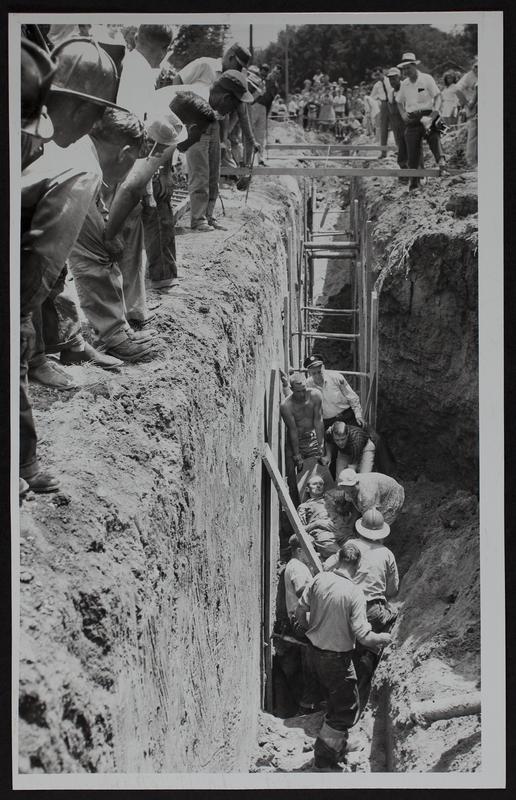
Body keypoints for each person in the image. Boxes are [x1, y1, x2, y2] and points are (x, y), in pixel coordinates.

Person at [21, 37, 125, 489]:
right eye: (95, 113)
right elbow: (44, 260)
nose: (92, 126)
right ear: (81, 106)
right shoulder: (71, 163)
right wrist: (21, 314)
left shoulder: (37, 132)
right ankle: (21, 467)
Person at [295, 541, 391, 770]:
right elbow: (363, 636)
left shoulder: (319, 579)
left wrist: (310, 629)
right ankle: (324, 757)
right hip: (336, 659)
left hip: (312, 653)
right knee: (347, 709)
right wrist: (383, 638)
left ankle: (339, 744)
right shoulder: (354, 593)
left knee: (333, 699)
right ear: (357, 567)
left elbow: (300, 611)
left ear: (338, 559)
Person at [115, 24, 176, 321]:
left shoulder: (129, 65)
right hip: (128, 162)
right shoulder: (139, 74)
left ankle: (130, 306)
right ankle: (133, 310)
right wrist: (147, 180)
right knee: (129, 236)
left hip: (120, 159)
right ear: (164, 50)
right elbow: (138, 128)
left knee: (127, 236)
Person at [324, 509, 399, 713]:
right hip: (372, 610)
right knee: (390, 619)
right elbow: (392, 590)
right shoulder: (387, 554)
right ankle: (361, 700)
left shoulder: (350, 546)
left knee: (342, 654)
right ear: (381, 532)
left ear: (361, 528)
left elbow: (326, 567)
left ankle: (337, 703)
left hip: (346, 606)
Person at [170, 56, 223, 232]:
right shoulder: (205, 65)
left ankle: (208, 215)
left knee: (213, 173)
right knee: (200, 174)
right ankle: (198, 219)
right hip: (196, 123)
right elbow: (177, 80)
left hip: (210, 122)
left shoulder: (224, 79)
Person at [396, 52, 447, 191]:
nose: (406, 71)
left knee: (433, 135)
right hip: (412, 117)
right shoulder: (405, 84)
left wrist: (435, 111)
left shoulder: (426, 79)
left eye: (408, 68)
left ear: (414, 66)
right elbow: (399, 101)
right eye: (404, 69)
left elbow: (437, 96)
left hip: (427, 114)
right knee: (411, 147)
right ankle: (414, 182)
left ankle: (441, 162)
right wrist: (403, 114)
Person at [280, 372, 328, 505]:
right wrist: (297, 455)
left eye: (303, 390)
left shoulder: (315, 395)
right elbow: (293, 430)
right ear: (291, 389)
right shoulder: (286, 406)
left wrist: (321, 444)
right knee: (292, 475)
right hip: (295, 440)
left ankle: (321, 506)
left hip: (312, 436)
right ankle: (296, 507)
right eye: (298, 391)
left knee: (318, 471)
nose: (302, 394)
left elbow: (318, 421)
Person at [297, 475, 354, 559]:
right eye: (315, 484)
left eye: (321, 484)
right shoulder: (304, 506)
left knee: (355, 550)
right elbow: (300, 530)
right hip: (324, 534)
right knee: (340, 555)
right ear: (307, 489)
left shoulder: (332, 499)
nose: (318, 486)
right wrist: (317, 523)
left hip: (342, 531)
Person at [303, 353, 364, 429]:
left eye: (319, 372)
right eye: (314, 373)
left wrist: (358, 415)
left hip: (347, 417)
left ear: (323, 368)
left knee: (359, 434)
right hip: (328, 423)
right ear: (309, 373)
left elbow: (352, 397)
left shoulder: (336, 377)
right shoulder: (308, 385)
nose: (317, 376)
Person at [336, 468, 405, 525]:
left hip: (392, 492)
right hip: (377, 488)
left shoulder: (367, 495)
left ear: (357, 483)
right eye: (347, 492)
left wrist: (351, 525)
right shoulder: (350, 482)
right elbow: (350, 499)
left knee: (377, 522)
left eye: (352, 492)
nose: (350, 495)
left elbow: (368, 516)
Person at [455, 56, 478, 168]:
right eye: (476, 66)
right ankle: (471, 161)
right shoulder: (469, 76)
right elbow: (457, 90)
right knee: (473, 134)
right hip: (474, 107)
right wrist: (467, 104)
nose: (477, 68)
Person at [385, 67, 408, 172]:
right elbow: (391, 109)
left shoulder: (406, 88)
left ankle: (412, 170)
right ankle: (403, 169)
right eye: (390, 80)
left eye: (394, 79)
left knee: (409, 144)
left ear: (399, 77)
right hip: (396, 123)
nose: (392, 82)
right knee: (400, 144)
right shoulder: (390, 92)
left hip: (407, 121)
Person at [369, 68, 392, 155]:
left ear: (383, 73)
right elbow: (372, 97)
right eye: (376, 75)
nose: (377, 77)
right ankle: (383, 152)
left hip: (393, 103)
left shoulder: (390, 80)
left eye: (378, 74)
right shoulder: (377, 85)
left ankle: (400, 151)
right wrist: (377, 102)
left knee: (397, 127)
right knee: (383, 128)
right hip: (384, 104)